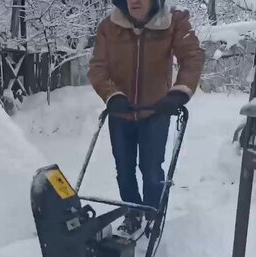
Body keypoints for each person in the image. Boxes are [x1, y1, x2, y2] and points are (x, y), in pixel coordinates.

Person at [87, 0, 205, 235]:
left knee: (151, 169)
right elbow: (97, 68)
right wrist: (112, 95)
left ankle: (153, 215)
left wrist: (179, 91)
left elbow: (192, 56)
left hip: (156, 110)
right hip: (121, 111)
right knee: (124, 168)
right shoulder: (109, 27)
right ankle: (132, 213)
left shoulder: (174, 21)